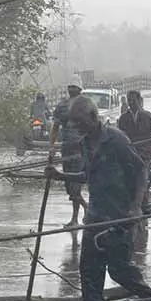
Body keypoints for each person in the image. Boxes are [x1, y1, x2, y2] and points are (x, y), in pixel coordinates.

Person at [46, 96, 151, 301]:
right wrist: (59, 176)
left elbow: (141, 170)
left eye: (79, 122)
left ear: (93, 117)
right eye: (73, 123)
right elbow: (88, 176)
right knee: (89, 274)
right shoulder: (84, 144)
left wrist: (136, 207)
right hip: (95, 216)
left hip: (119, 216)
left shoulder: (117, 140)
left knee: (119, 271)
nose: (76, 127)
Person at [52, 81, 89, 228]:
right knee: (68, 183)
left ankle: (75, 218)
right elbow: (55, 127)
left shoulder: (86, 106)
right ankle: (84, 207)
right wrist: (52, 146)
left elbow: (93, 127)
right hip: (67, 148)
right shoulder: (61, 106)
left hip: (81, 150)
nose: (71, 89)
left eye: (74, 87)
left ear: (80, 89)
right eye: (70, 86)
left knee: (76, 184)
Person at [117, 90, 151, 164]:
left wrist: (142, 139)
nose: (131, 103)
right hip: (129, 152)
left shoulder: (147, 115)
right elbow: (120, 134)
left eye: (134, 100)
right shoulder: (123, 117)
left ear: (139, 100)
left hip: (145, 152)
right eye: (129, 100)